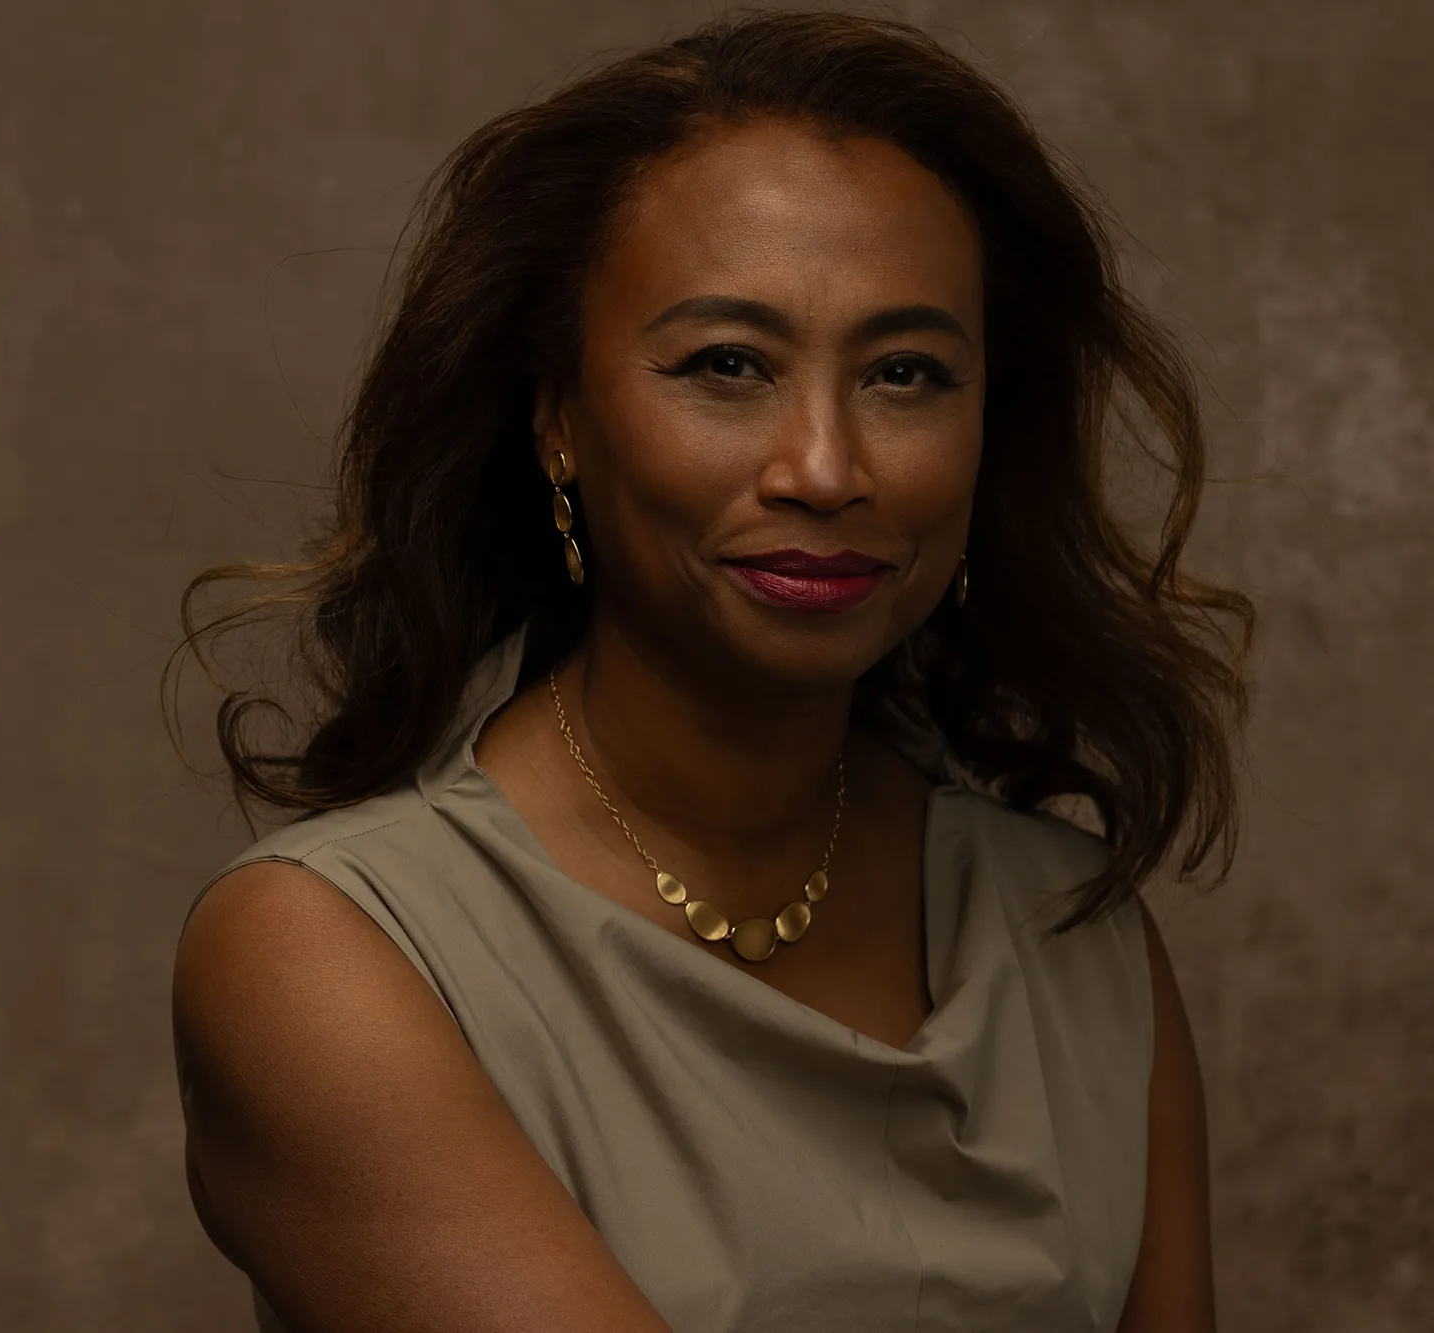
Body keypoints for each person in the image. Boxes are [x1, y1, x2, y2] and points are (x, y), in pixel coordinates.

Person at [169, 11, 1251, 1332]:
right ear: (558, 419)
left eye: (908, 373)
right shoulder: (330, 954)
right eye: (727, 365)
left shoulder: (1074, 933)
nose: (827, 468)